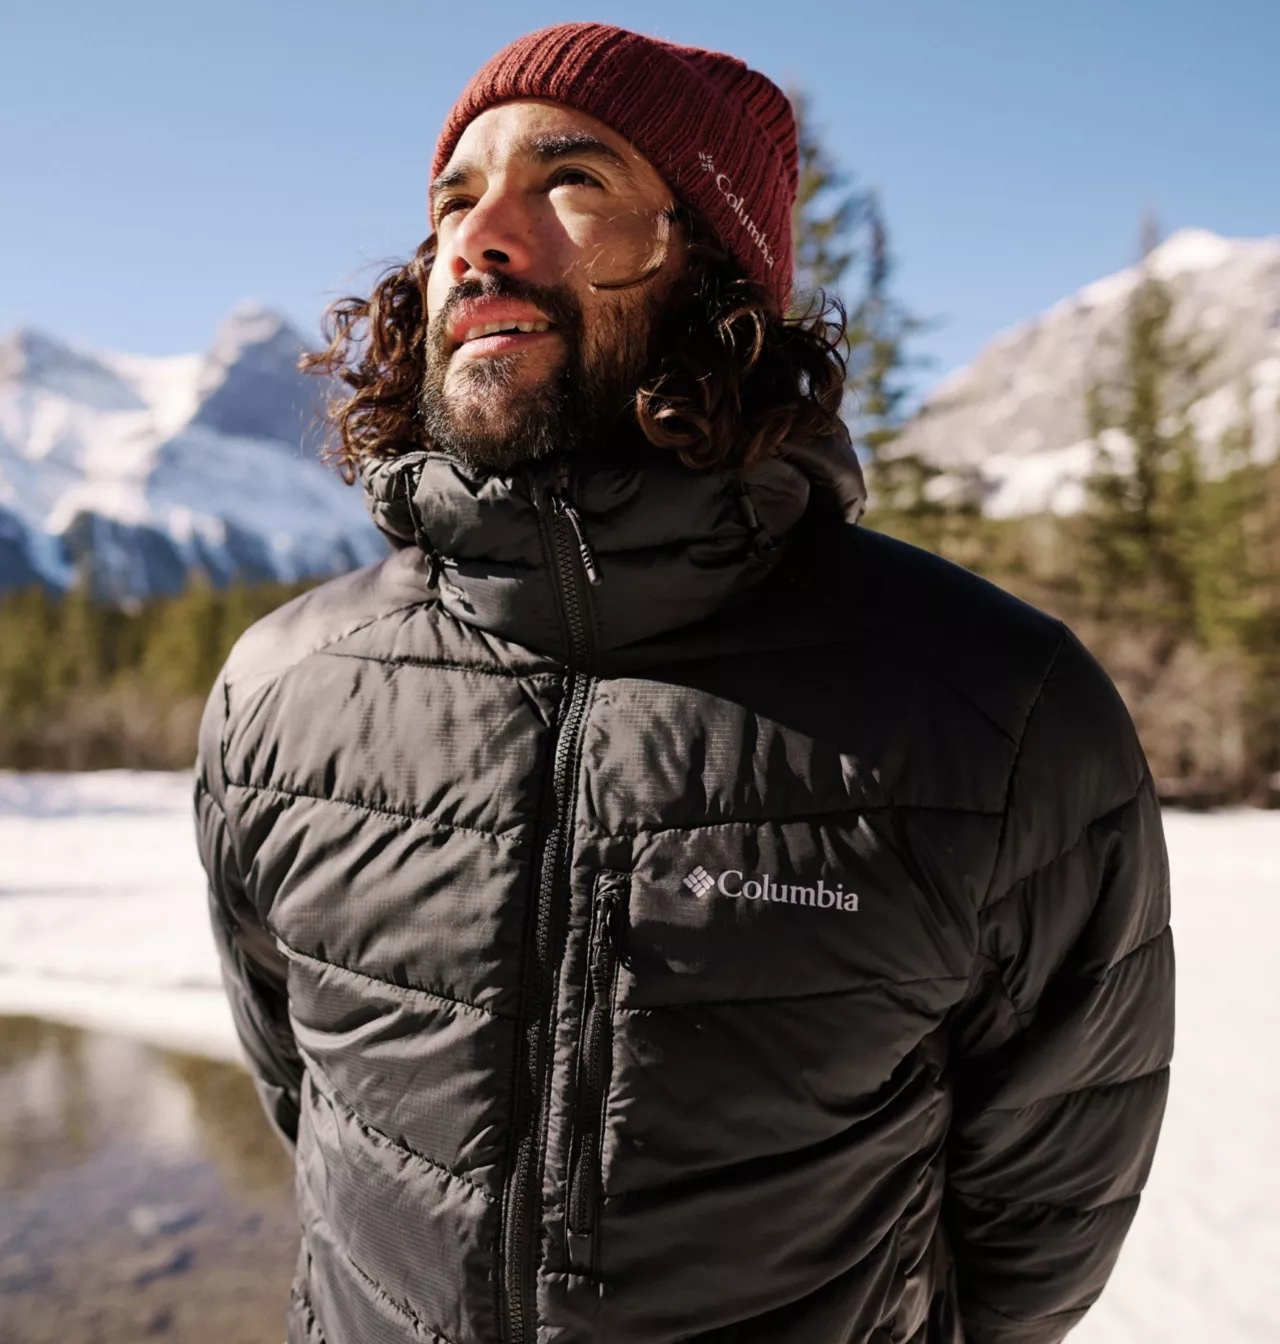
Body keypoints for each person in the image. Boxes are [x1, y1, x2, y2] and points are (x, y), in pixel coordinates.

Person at [194, 22, 1174, 1344]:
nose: (479, 239)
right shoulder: (282, 693)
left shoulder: (1000, 715)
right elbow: (310, 1103)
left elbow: (1040, 1229)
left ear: (719, 277)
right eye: (453, 200)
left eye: (571, 181)